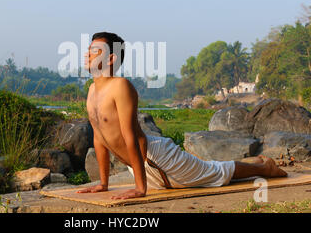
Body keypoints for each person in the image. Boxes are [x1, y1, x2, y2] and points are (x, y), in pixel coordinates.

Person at [77, 32, 287, 200]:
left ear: (111, 58)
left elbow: (133, 136)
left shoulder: (120, 86)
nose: (87, 54)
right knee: (209, 171)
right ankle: (255, 161)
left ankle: (265, 167)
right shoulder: (92, 91)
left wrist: (140, 189)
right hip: (136, 164)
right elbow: (99, 138)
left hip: (155, 156)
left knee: (216, 174)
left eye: (94, 50)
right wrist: (103, 184)